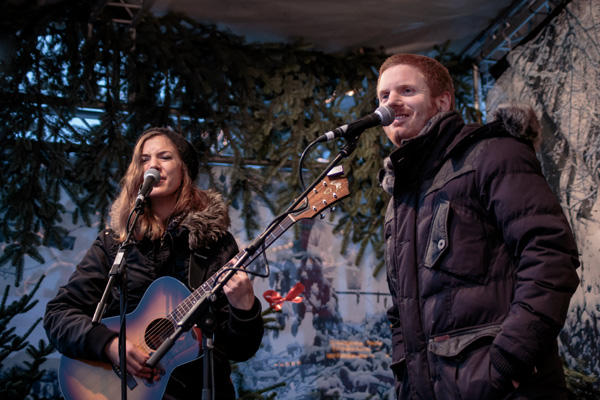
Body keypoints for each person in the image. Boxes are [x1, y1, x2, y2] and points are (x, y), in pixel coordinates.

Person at [376, 54, 580, 399]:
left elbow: (551, 257)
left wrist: (507, 363)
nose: (391, 102)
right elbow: (402, 307)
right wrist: (406, 382)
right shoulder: (401, 198)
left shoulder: (494, 154)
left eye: (407, 90)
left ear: (442, 102)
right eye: (383, 96)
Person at [44, 127, 264, 399]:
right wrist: (108, 344)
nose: (153, 166)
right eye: (144, 159)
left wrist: (244, 309)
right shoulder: (115, 243)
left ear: (184, 170)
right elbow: (58, 315)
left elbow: (241, 350)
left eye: (164, 157)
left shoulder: (215, 243)